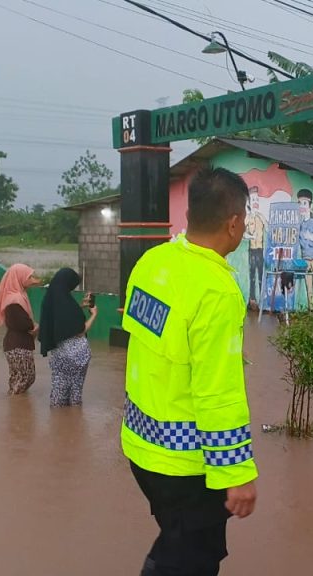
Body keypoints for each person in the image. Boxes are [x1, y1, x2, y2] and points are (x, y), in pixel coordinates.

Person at [121, 166, 258, 576]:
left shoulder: (152, 262)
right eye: (245, 219)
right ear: (234, 223)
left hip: (140, 447)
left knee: (176, 541)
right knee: (189, 560)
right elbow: (218, 390)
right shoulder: (215, 289)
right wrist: (237, 472)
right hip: (185, 463)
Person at [38, 268, 97, 407]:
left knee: (58, 396)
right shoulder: (69, 303)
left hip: (59, 356)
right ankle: (75, 423)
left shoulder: (49, 300)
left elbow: (61, 321)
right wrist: (94, 314)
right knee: (75, 395)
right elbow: (80, 330)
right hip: (78, 356)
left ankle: (57, 425)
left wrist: (79, 307)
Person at [0, 263, 42, 395]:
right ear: (19, 277)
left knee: (18, 378)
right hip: (18, 345)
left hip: (16, 344)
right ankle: (16, 407)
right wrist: (34, 326)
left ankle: (14, 409)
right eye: (28, 276)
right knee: (26, 378)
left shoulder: (17, 296)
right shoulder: (15, 300)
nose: (31, 279)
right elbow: (21, 323)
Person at [296, 188, 313, 309]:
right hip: (305, 259)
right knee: (309, 285)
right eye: (300, 203)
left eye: (305, 203)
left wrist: (310, 237)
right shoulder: (300, 225)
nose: (302, 206)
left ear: (310, 205)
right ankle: (311, 309)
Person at [244, 186, 267, 311]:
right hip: (252, 251)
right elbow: (243, 233)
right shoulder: (248, 218)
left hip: (261, 250)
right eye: (253, 200)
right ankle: (252, 300)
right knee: (252, 276)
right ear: (249, 202)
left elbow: (268, 228)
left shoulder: (261, 217)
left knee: (261, 276)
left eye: (257, 199)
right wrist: (250, 236)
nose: (256, 202)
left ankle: (262, 300)